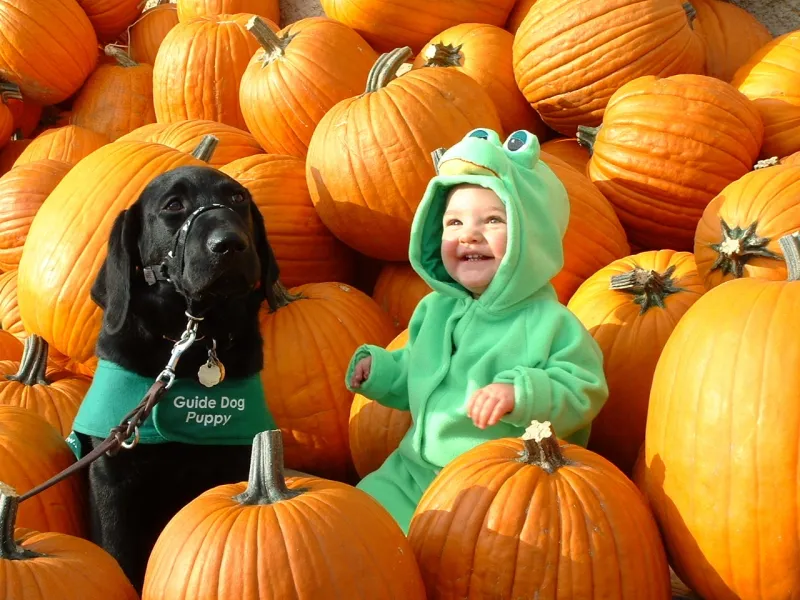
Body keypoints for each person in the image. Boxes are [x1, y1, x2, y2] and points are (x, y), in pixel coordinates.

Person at [345, 128, 609, 533]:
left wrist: (521, 394)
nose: (469, 233)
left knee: (453, 553)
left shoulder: (548, 322)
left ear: (530, 235)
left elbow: (583, 389)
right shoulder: (434, 310)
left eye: (491, 220)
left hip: (491, 490)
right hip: (412, 470)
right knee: (357, 522)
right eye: (454, 222)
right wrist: (382, 373)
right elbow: (419, 371)